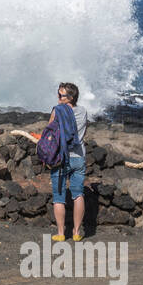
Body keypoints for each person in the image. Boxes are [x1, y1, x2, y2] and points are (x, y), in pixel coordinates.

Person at [48, 82, 88, 242]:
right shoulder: (84, 111)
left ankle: (60, 233)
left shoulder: (56, 111)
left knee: (59, 197)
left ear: (70, 97)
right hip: (79, 157)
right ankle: (77, 232)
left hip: (60, 158)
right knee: (78, 194)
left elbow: (49, 133)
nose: (58, 98)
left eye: (61, 95)